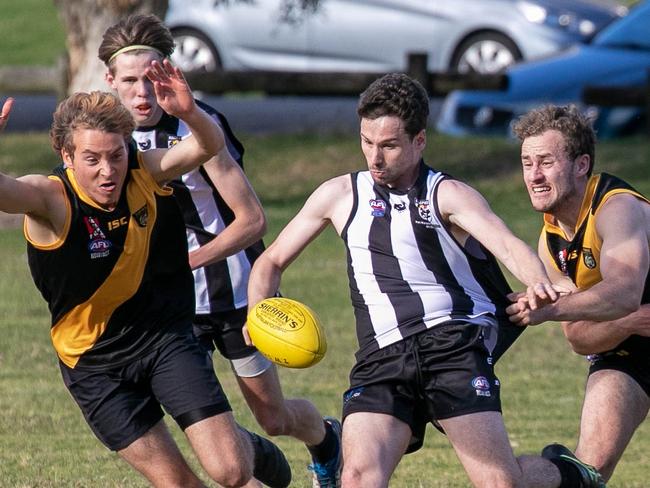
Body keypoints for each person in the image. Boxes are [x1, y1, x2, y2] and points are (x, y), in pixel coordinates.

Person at [246, 72, 607, 487]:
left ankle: (568, 476)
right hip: (381, 356)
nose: (374, 158)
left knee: (500, 483)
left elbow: (506, 244)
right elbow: (271, 261)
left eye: (389, 145)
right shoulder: (339, 195)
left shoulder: (447, 194)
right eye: (367, 142)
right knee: (358, 477)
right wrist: (259, 309)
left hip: (452, 346)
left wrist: (539, 281)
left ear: (419, 141)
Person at [0, 61, 290, 488]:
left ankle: (248, 449)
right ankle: (234, 442)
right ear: (66, 156)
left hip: (163, 338)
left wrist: (191, 114)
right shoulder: (51, 198)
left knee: (230, 471)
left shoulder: (143, 170)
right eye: (92, 159)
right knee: (178, 484)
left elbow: (205, 148)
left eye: (116, 155)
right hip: (92, 363)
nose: (108, 170)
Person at [98, 14, 342, 487]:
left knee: (272, 417)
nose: (141, 94)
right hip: (173, 309)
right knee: (206, 431)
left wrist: (182, 264)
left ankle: (326, 441)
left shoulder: (200, 126)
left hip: (233, 295)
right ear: (110, 81)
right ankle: (247, 459)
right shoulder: (108, 141)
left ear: (168, 71)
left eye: (150, 79)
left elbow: (251, 222)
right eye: (129, 82)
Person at [507, 104, 650, 482]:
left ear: (581, 164)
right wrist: (633, 321)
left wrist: (552, 310)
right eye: (527, 163)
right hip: (629, 353)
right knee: (587, 473)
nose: (534, 176)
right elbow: (580, 337)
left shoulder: (616, 208)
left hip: (623, 337)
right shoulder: (549, 240)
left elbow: (624, 292)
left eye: (546, 162)